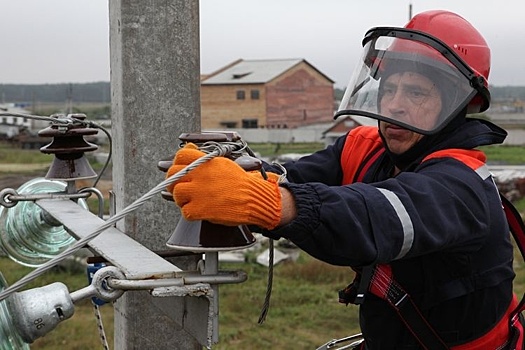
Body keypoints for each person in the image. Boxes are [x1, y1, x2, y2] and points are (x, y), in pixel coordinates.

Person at [167, 10, 524, 349]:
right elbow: (295, 176)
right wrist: (232, 172)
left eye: (416, 92)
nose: (394, 105)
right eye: (389, 89)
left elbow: (376, 216)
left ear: (455, 104)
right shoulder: (365, 149)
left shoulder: (461, 185)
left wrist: (268, 203)